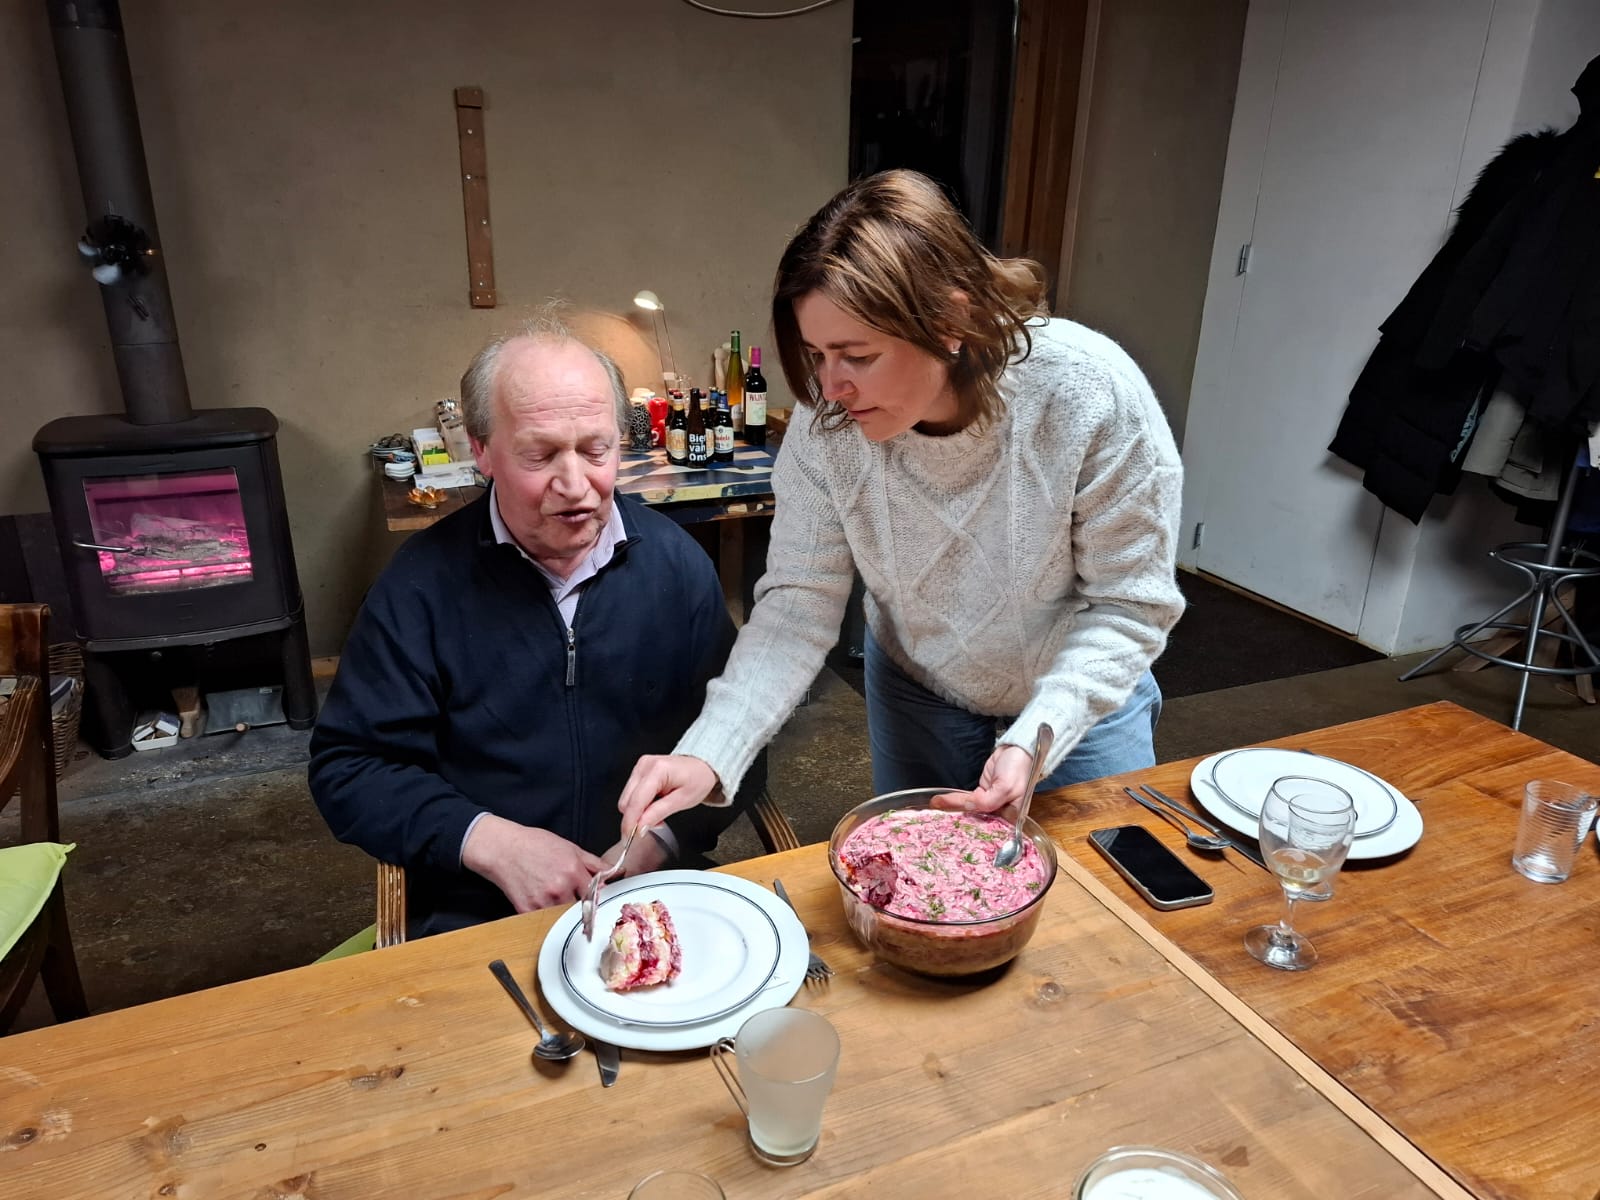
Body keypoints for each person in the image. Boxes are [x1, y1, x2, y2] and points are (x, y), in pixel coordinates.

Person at [618, 169, 1184, 836]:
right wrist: (711, 750)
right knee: (923, 891)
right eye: (815, 354)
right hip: (919, 684)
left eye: (857, 355)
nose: (831, 388)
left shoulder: (1089, 395)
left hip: (1077, 692)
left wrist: (1036, 736)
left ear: (949, 320)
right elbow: (798, 603)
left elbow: (1130, 604)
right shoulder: (824, 423)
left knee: (1095, 899)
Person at [310, 313, 757, 938]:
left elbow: (738, 740)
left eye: (596, 449)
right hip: (479, 904)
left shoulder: (675, 564)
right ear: (482, 449)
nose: (576, 487)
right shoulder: (421, 585)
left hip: (648, 892)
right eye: (540, 454)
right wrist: (488, 842)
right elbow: (349, 768)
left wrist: (661, 840)